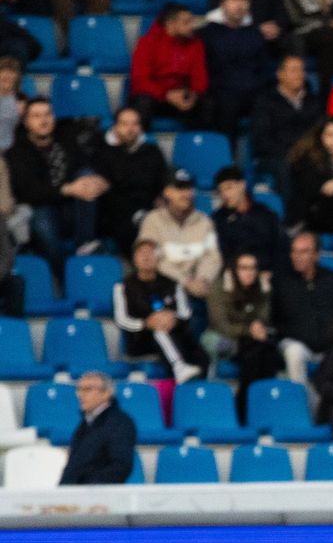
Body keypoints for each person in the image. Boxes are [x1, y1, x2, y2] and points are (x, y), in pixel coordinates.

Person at [6, 98, 103, 272]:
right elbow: (29, 192)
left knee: (87, 176)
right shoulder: (17, 152)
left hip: (70, 204)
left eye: (47, 114)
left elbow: (83, 164)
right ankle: (62, 272)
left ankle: (84, 247)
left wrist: (96, 181)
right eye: (36, 116)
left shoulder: (65, 140)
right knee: (42, 223)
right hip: (40, 206)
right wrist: (68, 189)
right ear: (26, 122)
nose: (44, 120)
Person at [112, 238, 209, 383]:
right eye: (142, 253)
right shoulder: (123, 287)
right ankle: (179, 367)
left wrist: (173, 318)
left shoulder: (172, 284)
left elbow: (185, 313)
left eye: (151, 253)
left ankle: (200, 391)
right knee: (159, 331)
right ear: (134, 258)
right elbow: (121, 319)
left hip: (174, 334)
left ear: (159, 258)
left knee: (200, 354)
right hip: (141, 339)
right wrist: (146, 324)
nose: (146, 257)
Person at [203, 251, 283, 418]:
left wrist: (258, 328)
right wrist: (249, 329)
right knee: (254, 353)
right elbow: (221, 325)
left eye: (253, 268)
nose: (249, 272)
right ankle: (246, 408)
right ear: (234, 270)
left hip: (251, 341)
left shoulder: (262, 287)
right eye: (244, 268)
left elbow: (263, 317)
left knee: (265, 352)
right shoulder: (219, 287)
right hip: (224, 338)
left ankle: (260, 405)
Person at [135, 169, 221, 319]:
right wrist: (185, 281)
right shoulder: (153, 220)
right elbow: (152, 258)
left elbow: (212, 256)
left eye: (188, 188)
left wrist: (203, 279)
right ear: (167, 192)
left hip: (198, 289)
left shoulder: (204, 221)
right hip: (162, 288)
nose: (186, 194)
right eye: (180, 188)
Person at [199, 0, 274, 140]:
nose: (239, 5)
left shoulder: (255, 33)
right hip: (223, 92)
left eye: (244, 0)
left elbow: (264, 68)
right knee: (225, 105)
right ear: (223, 3)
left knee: (267, 104)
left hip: (253, 91)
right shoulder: (208, 33)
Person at [275, 231, 333, 386]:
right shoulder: (281, 281)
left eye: (303, 251)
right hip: (297, 343)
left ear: (316, 255)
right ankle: (299, 399)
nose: (297, 256)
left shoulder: (331, 278)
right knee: (294, 352)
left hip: (330, 346)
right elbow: (273, 318)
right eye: (294, 251)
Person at [91, 106, 166, 257]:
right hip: (117, 213)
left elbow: (161, 182)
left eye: (134, 124)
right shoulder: (103, 153)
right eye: (124, 124)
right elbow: (108, 190)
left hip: (149, 208)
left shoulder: (152, 151)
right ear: (115, 127)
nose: (130, 129)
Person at [128, 4, 210, 129]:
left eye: (191, 22)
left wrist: (194, 94)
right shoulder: (147, 42)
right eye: (186, 23)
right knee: (143, 103)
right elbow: (140, 80)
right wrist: (166, 94)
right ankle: (141, 140)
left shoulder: (195, 44)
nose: (191, 27)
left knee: (207, 103)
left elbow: (199, 76)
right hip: (156, 95)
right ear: (170, 24)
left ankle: (197, 140)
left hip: (181, 94)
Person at [250, 55, 320, 186]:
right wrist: (292, 152)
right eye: (294, 70)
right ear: (280, 74)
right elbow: (262, 139)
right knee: (286, 167)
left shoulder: (313, 101)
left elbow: (319, 131)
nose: (299, 75)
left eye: (302, 70)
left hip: (308, 152)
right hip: (277, 156)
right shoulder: (265, 102)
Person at [58, 371, 134, 485]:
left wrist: (88, 488)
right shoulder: (85, 424)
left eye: (88, 389)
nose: (80, 395)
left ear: (106, 393)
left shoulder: (119, 423)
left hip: (97, 493)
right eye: (79, 389)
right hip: (77, 492)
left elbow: (120, 465)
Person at [213, 164, 282, 268]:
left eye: (229, 188)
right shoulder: (218, 219)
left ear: (242, 185)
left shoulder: (265, 214)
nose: (225, 194)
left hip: (265, 271)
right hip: (234, 272)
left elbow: (278, 247)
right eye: (221, 190)